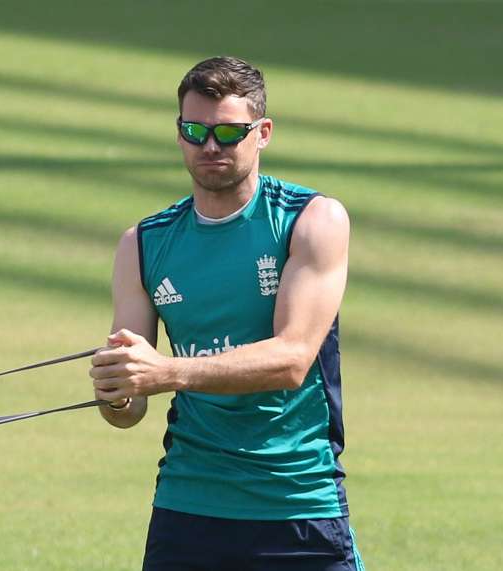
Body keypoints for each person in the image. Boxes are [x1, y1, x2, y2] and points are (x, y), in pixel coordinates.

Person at [88, 56, 364, 571]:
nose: (210, 145)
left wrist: (165, 372)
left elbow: (292, 360)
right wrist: (115, 389)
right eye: (194, 131)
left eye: (228, 133)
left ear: (262, 133)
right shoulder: (143, 244)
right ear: (178, 135)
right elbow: (128, 410)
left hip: (296, 501)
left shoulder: (311, 220)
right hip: (187, 505)